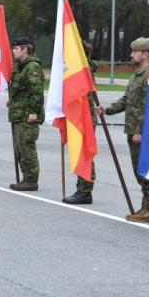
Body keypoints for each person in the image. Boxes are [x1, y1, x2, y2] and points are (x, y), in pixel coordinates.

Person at [96, 37, 149, 221]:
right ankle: (145, 207)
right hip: (133, 130)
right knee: (139, 170)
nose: (131, 55)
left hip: (143, 132)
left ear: (145, 54)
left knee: (147, 170)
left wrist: (140, 131)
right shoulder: (137, 74)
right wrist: (108, 110)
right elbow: (127, 100)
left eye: (135, 52)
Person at [64, 40, 98, 205]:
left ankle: (85, 190)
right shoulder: (80, 68)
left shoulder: (84, 69)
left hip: (86, 117)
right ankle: (82, 188)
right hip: (80, 116)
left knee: (85, 152)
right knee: (80, 151)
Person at [8, 36, 44, 191]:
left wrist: (33, 112)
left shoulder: (32, 67)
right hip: (19, 113)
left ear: (25, 49)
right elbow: (21, 89)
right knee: (20, 148)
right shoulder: (21, 66)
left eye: (16, 48)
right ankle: (26, 178)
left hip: (27, 115)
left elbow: (37, 92)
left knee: (27, 147)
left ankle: (31, 180)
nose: (13, 51)